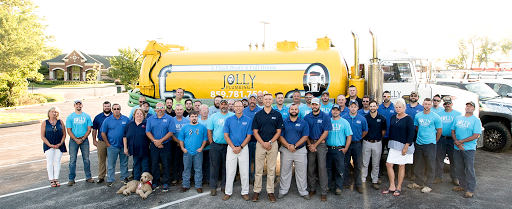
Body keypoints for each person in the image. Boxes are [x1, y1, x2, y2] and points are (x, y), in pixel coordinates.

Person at [251, 93, 284, 203]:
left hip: (272, 144)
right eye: (266, 99)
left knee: (271, 169)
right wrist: (263, 143)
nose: (268, 101)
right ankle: (256, 191)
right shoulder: (258, 114)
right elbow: (255, 132)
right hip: (260, 144)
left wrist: (270, 142)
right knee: (259, 169)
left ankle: (270, 191)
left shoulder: (277, 115)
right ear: (263, 100)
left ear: (272, 100)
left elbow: (279, 131)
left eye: (270, 99)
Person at [407, 98, 442, 193]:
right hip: (419, 143)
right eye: (425, 104)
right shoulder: (418, 115)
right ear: (423, 104)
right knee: (418, 164)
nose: (427, 106)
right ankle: (418, 182)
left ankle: (429, 185)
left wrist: (434, 140)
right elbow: (417, 128)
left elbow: (439, 131)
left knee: (430, 165)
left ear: (431, 105)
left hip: (430, 144)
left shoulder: (436, 117)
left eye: (428, 104)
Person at [278, 104, 311, 200]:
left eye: (295, 109)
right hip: (286, 150)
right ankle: (283, 190)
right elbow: (280, 136)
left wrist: (295, 146)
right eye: (292, 109)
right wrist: (288, 146)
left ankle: (303, 191)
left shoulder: (303, 123)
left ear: (298, 111)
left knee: (301, 172)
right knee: (285, 171)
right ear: (289, 111)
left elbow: (305, 137)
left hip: (300, 150)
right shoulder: (283, 122)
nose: (294, 110)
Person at [382, 98, 415, 196]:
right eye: (396, 107)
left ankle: (399, 187)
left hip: (404, 145)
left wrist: (406, 146)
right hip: (393, 145)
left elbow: (411, 133)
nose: (398, 109)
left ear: (404, 108)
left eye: (400, 107)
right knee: (389, 164)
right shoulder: (393, 117)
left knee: (401, 166)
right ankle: (392, 186)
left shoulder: (408, 118)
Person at [222, 101, 253, 201]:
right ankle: (228, 192)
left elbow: (249, 136)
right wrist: (233, 147)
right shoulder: (229, 120)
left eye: (240, 106)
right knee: (230, 171)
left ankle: (245, 192)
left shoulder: (248, 120)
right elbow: (226, 135)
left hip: (243, 148)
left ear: (243, 107)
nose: (238, 108)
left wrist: (240, 147)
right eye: (236, 106)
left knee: (244, 171)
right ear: (233, 107)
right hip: (231, 148)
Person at [451, 101, 482, 198]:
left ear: (474, 109)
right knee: (459, 167)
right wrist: (457, 142)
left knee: (469, 168)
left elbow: (476, 135)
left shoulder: (476, 120)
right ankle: (462, 185)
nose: (468, 108)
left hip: (468, 149)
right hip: (457, 147)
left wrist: (461, 142)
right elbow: (453, 131)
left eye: (470, 106)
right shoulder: (458, 118)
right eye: (467, 106)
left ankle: (470, 189)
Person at [304, 98, 332, 201]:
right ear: (311, 105)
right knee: (311, 168)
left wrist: (315, 145)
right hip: (310, 144)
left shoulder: (325, 116)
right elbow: (305, 133)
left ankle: (324, 191)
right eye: (313, 104)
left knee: (322, 168)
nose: (314, 106)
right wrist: (310, 145)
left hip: (320, 145)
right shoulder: (307, 117)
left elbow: (326, 132)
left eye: (316, 104)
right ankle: (312, 188)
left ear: (320, 105)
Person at [146, 102, 176, 192]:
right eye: (158, 108)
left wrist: (160, 141)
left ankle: (166, 182)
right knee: (154, 164)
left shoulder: (170, 118)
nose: (160, 109)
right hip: (154, 145)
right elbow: (148, 132)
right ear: (156, 109)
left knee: (166, 164)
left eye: (161, 107)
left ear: (164, 108)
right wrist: (155, 141)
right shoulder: (150, 119)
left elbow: (171, 132)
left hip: (166, 145)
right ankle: (155, 182)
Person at [207, 99, 235, 196]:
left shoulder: (232, 116)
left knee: (226, 167)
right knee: (214, 166)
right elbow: (209, 130)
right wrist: (211, 143)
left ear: (228, 106)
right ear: (219, 106)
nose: (223, 106)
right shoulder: (213, 117)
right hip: (216, 145)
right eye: (222, 104)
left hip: (229, 146)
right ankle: (213, 187)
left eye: (225, 104)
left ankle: (224, 186)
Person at [342, 100, 368, 194]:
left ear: (358, 108)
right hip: (346, 144)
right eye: (351, 106)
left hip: (357, 144)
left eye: (355, 106)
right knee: (345, 163)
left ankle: (358, 184)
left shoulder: (362, 119)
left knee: (358, 164)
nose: (353, 108)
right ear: (348, 107)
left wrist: (358, 138)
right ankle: (345, 182)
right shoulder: (344, 118)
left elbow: (365, 131)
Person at [101, 103, 130, 187]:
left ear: (120, 109)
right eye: (114, 109)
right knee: (111, 164)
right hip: (112, 146)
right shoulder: (107, 120)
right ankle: (110, 179)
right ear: (112, 110)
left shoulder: (126, 119)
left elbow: (129, 132)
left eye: (118, 109)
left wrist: (127, 145)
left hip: (123, 146)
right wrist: (107, 144)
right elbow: (103, 133)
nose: (116, 110)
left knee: (124, 163)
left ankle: (124, 177)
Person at [66, 100, 94, 186]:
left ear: (82, 105)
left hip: (84, 140)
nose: (78, 106)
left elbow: (89, 129)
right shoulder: (70, 117)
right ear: (74, 106)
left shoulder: (86, 116)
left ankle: (88, 177)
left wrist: (82, 139)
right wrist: (76, 139)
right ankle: (71, 179)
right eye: (77, 104)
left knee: (86, 159)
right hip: (74, 140)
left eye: (80, 104)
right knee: (72, 160)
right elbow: (69, 130)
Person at [179, 111, 207, 193]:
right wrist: (182, 148)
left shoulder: (202, 127)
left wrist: (202, 148)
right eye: (192, 116)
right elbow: (181, 139)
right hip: (187, 152)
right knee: (186, 169)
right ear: (189, 118)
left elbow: (205, 139)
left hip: (198, 152)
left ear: (197, 117)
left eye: (195, 116)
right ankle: (185, 185)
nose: (194, 118)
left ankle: (198, 186)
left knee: (198, 169)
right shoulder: (185, 127)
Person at [326, 104, 352, 195]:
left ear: (340, 111)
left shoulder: (345, 122)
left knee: (339, 169)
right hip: (328, 149)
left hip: (339, 150)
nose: (335, 111)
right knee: (328, 169)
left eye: (337, 110)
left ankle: (338, 188)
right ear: (331, 111)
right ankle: (328, 186)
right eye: (334, 110)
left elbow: (349, 136)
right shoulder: (328, 121)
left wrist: (346, 148)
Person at [434, 97, 461, 186]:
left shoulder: (458, 114)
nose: (447, 105)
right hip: (441, 139)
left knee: (453, 159)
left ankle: (455, 177)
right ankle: (438, 177)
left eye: (449, 103)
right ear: (443, 104)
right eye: (445, 103)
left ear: (452, 104)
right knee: (439, 158)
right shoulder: (438, 114)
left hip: (452, 140)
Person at [362, 100, 387, 190]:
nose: (372, 108)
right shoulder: (365, 118)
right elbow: (363, 130)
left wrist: (379, 138)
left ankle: (375, 181)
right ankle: (363, 180)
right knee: (365, 162)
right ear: (369, 107)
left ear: (377, 107)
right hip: (366, 142)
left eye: (374, 106)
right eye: (371, 106)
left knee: (376, 163)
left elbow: (383, 131)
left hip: (377, 142)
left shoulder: (382, 118)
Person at [41, 106, 67, 187]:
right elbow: (42, 136)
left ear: (57, 114)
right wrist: (49, 145)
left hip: (59, 144)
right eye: (52, 112)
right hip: (49, 145)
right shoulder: (45, 123)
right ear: (49, 113)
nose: (53, 113)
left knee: (57, 161)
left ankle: (56, 178)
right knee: (50, 161)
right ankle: (51, 179)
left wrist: (61, 143)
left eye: (55, 112)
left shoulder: (61, 122)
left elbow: (64, 134)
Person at [123, 108, 150, 182]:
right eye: (137, 113)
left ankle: (146, 182)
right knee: (136, 166)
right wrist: (125, 148)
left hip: (145, 149)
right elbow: (124, 136)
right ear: (134, 115)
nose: (139, 115)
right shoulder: (129, 124)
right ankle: (136, 182)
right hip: (134, 150)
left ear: (143, 115)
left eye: (141, 114)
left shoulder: (147, 123)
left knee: (145, 166)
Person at [242, 94, 262, 183]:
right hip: (246, 140)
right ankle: (247, 177)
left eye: (254, 99)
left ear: (257, 100)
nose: (252, 101)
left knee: (257, 160)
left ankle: (255, 178)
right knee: (247, 160)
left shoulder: (261, 111)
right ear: (248, 100)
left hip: (257, 140)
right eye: (251, 99)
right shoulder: (244, 111)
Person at [92, 101, 111, 183]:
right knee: (101, 160)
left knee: (111, 160)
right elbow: (94, 130)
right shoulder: (98, 117)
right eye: (105, 106)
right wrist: (94, 140)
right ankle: (101, 176)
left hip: (111, 141)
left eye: (108, 106)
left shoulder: (114, 116)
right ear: (103, 107)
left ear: (110, 107)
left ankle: (111, 176)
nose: (107, 107)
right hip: (101, 141)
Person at [171, 104, 190, 185]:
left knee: (183, 162)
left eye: (180, 109)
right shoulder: (171, 120)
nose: (179, 111)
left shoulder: (187, 121)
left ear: (183, 110)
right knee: (175, 161)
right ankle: (175, 178)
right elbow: (170, 133)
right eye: (177, 109)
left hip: (185, 145)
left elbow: (189, 133)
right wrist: (179, 142)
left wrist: (182, 143)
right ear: (175, 111)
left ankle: (182, 177)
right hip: (174, 144)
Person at [198, 104, 211, 185]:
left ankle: (209, 179)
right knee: (200, 164)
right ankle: (201, 179)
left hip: (209, 146)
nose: (205, 112)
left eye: (206, 110)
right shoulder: (197, 120)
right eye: (203, 110)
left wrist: (208, 142)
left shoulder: (211, 120)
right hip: (199, 147)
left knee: (209, 164)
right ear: (199, 112)